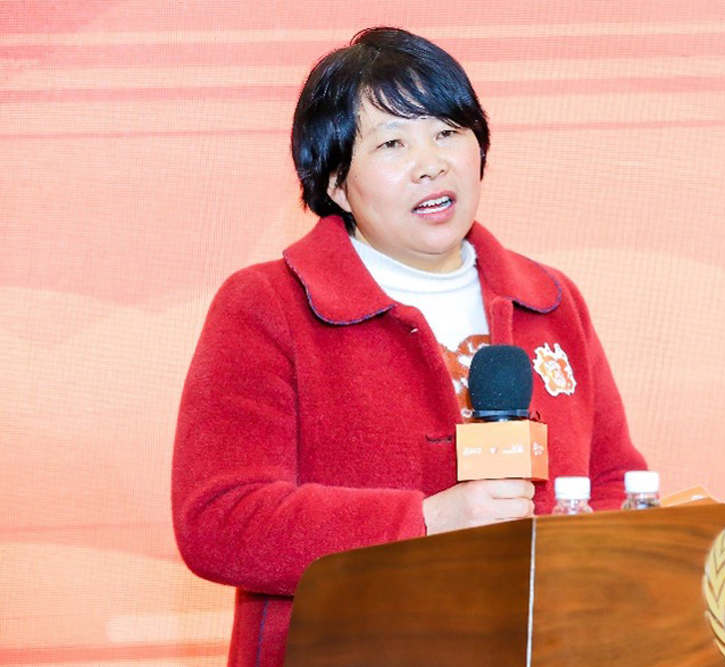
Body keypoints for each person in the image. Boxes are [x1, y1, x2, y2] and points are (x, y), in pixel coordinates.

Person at [172, 27, 647, 667]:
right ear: (336, 185)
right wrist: (426, 521)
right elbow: (221, 520)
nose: (432, 161)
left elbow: (611, 479)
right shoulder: (269, 306)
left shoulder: (551, 300)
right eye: (393, 143)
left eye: (448, 132)